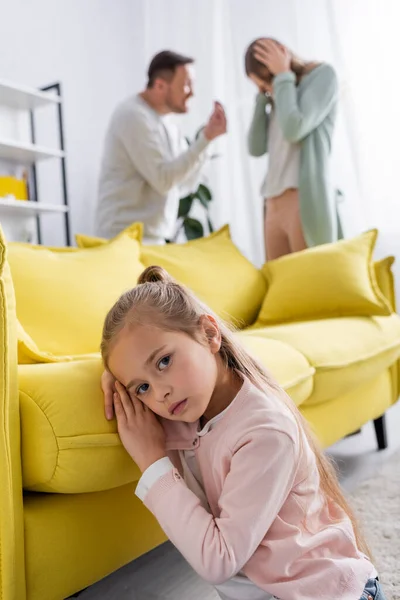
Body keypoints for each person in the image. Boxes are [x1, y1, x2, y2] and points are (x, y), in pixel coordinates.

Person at [99, 265, 385, 600]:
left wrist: (152, 463)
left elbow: (218, 562)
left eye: (163, 362)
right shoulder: (186, 406)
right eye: (142, 387)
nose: (159, 393)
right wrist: (114, 376)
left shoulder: (265, 431)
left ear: (209, 334)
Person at [96, 50, 227, 244]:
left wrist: (206, 140)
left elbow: (184, 184)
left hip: (152, 237)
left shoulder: (169, 125)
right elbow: (164, 180)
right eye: (186, 84)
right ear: (159, 85)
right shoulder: (133, 115)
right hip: (123, 237)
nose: (192, 92)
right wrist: (206, 137)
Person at [245, 38, 340, 260]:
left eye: (267, 81)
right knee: (281, 285)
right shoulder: (280, 93)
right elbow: (255, 147)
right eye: (262, 84)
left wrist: (283, 76)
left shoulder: (323, 76)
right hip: (272, 202)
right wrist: (262, 98)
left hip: (303, 199)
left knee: (312, 282)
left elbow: (294, 128)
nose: (270, 88)